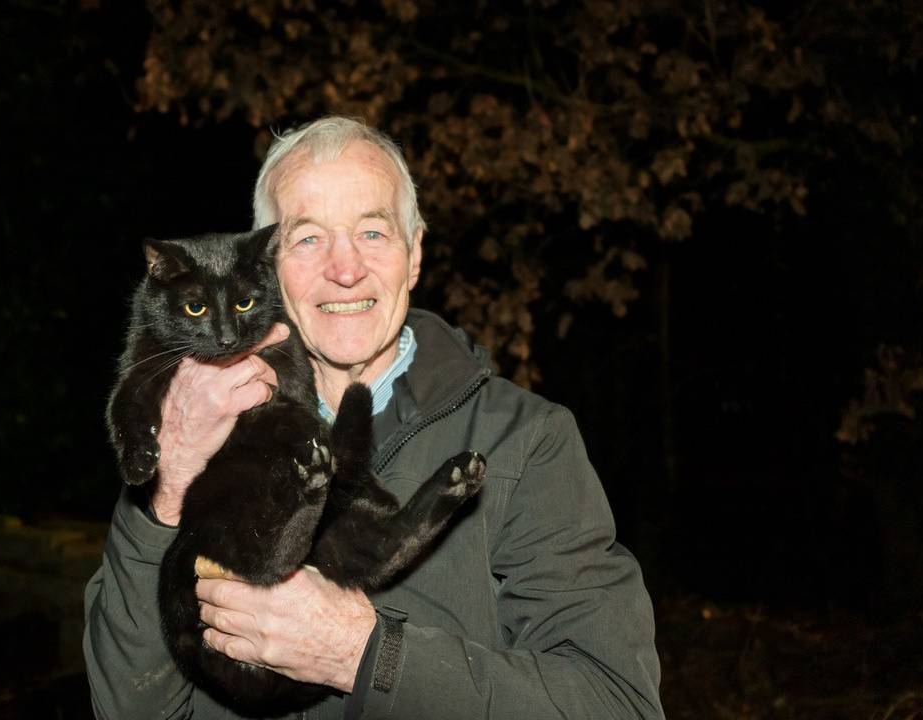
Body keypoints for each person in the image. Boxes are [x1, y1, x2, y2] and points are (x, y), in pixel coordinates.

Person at [84, 116, 664, 719]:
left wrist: (363, 655)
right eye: (308, 238)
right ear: (262, 266)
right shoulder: (192, 420)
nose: (345, 268)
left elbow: (618, 704)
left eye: (373, 232)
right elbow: (125, 705)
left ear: (413, 257)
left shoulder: (527, 441)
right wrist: (170, 486)